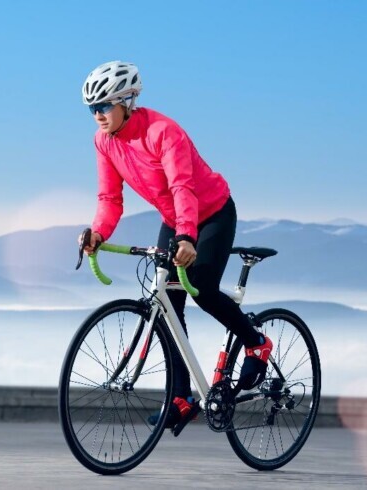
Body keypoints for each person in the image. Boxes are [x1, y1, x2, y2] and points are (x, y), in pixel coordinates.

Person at [78, 60, 273, 433]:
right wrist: (98, 233)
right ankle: (181, 398)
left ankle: (256, 342)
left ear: (126, 102)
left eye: (104, 106)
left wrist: (188, 236)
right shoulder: (103, 141)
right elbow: (110, 198)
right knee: (167, 304)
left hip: (211, 212)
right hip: (174, 218)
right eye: (92, 109)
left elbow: (183, 187)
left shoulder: (164, 132)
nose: (98, 116)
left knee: (199, 289)